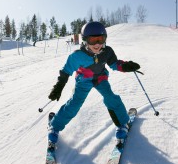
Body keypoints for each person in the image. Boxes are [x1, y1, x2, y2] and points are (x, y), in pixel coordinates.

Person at [47, 21, 140, 149]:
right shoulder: (77, 56)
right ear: (85, 40)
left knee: (111, 98)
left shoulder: (107, 51)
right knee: (75, 103)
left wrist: (125, 66)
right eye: (92, 40)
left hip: (100, 79)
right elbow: (65, 72)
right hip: (84, 80)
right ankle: (55, 126)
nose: (97, 44)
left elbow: (114, 64)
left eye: (100, 39)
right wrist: (58, 87)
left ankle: (123, 123)